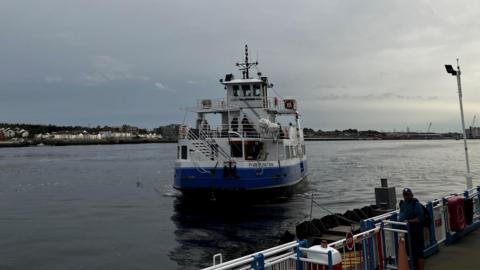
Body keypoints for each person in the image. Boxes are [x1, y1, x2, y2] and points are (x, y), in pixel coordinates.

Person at [398, 187, 425, 270]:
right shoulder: (403, 204)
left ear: (411, 195)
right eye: (405, 195)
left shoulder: (416, 204)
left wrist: (409, 221)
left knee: (418, 253)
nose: (406, 197)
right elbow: (401, 215)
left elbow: (420, 218)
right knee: (409, 252)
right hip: (406, 233)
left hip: (416, 233)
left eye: (408, 195)